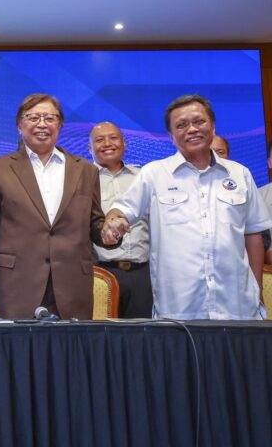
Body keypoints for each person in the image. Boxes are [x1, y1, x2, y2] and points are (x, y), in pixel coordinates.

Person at [102, 94, 272, 320]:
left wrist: (257, 290)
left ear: (212, 126)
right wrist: (113, 222)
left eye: (199, 121)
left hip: (238, 306)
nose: (191, 129)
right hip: (179, 309)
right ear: (172, 136)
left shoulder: (240, 174)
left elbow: (253, 234)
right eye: (181, 125)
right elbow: (121, 211)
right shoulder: (154, 174)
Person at [0, 93, 106, 320]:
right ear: (19, 126)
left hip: (71, 284)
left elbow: (95, 224)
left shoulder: (86, 170)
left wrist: (109, 232)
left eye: (49, 118)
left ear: (60, 124)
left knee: (69, 353)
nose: (42, 124)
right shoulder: (0, 168)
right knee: (17, 354)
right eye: (33, 118)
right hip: (16, 285)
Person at [89, 122, 153, 318]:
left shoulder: (144, 177)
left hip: (142, 274)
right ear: (90, 148)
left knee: (142, 338)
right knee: (101, 337)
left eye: (113, 138)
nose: (107, 143)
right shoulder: (82, 180)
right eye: (99, 140)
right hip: (99, 274)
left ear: (124, 143)